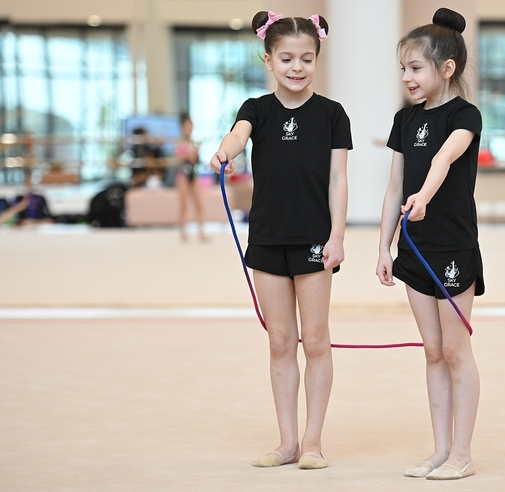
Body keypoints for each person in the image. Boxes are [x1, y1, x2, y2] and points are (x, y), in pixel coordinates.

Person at [209, 11, 351, 471]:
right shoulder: (256, 108)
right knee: (279, 342)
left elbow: (338, 181)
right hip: (268, 240)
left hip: (314, 241)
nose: (296, 67)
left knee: (315, 341)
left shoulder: (332, 114)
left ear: (317, 60)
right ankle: (287, 441)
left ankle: (313, 441)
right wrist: (225, 152)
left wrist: (337, 237)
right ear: (268, 59)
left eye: (306, 59)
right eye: (286, 58)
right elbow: (238, 135)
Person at [376, 8, 483, 481]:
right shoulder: (403, 120)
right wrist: (384, 247)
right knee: (432, 351)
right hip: (414, 249)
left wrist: (427, 195)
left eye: (416, 67)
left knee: (457, 351)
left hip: (454, 247)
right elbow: (394, 186)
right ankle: (440, 450)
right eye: (403, 68)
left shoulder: (465, 115)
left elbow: (444, 158)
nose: (407, 77)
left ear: (447, 69)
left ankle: (462, 452)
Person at [175, 113, 206, 242]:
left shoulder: (193, 142)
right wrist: (188, 153)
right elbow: (180, 158)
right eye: (187, 126)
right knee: (183, 204)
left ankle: (201, 231)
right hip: (183, 174)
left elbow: (195, 159)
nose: (189, 128)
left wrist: (195, 153)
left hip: (193, 174)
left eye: (191, 126)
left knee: (199, 203)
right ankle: (182, 231)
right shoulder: (180, 142)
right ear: (183, 127)